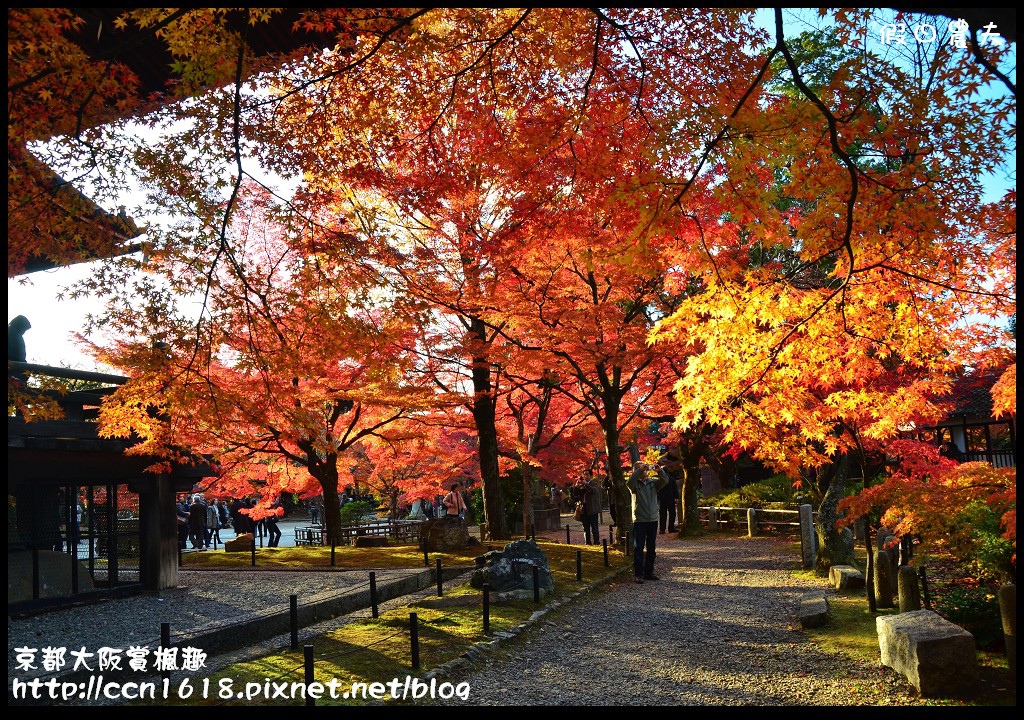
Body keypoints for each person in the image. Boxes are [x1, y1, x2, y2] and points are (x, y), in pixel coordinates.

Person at [626, 454, 669, 584]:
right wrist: (639, 470)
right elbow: (629, 482)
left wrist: (659, 470)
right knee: (639, 547)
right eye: (641, 469)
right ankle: (638, 574)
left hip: (653, 519)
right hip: (640, 519)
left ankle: (648, 572)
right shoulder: (634, 485)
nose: (644, 471)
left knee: (651, 548)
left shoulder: (653, 483)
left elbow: (665, 480)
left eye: (644, 468)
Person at [573, 471, 602, 545]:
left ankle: (596, 542)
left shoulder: (594, 484)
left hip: (593, 509)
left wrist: (586, 484)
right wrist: (576, 487)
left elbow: (593, 491)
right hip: (583, 509)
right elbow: (575, 494)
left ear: (591, 476)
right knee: (586, 528)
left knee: (594, 528)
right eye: (584, 475)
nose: (585, 476)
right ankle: (587, 542)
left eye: (587, 474)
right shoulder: (581, 485)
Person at [8, 314, 31, 384]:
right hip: (13, 371)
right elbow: (20, 356)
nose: (24, 333)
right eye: (24, 330)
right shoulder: (16, 336)